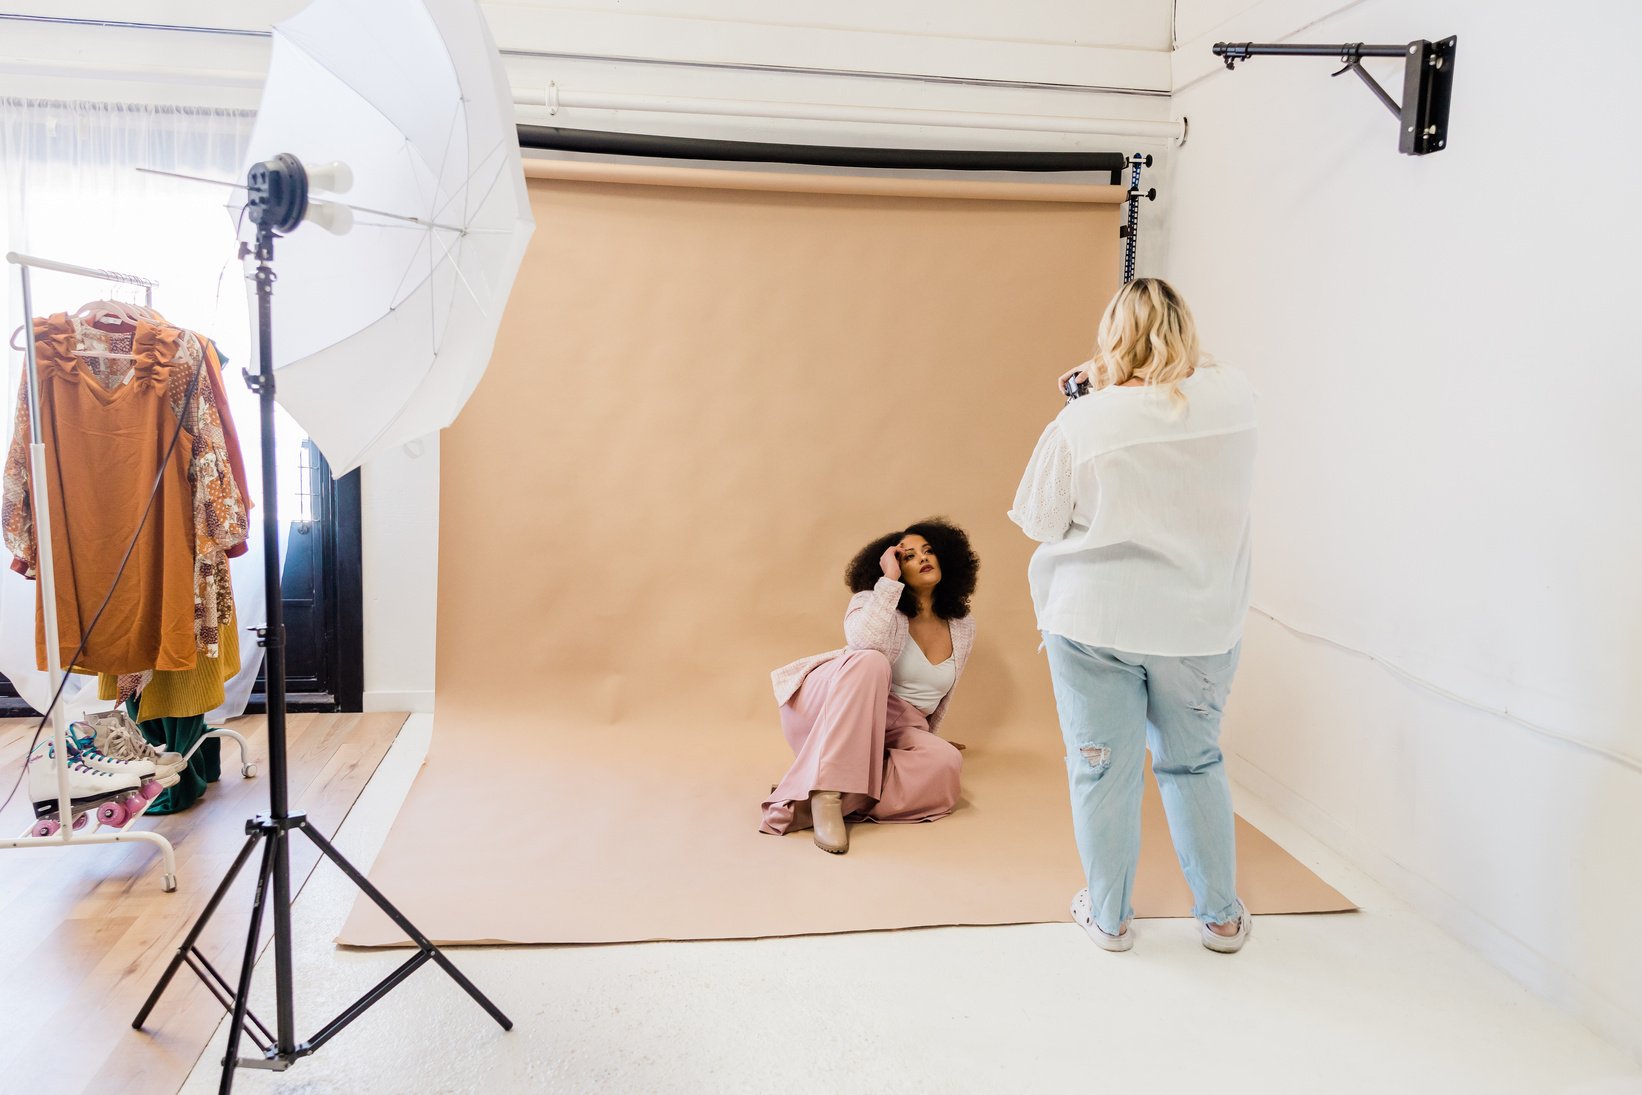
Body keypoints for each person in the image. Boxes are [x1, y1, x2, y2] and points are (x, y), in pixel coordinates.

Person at [1009, 277, 1258, 953]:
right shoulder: (1236, 398)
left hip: (1096, 623)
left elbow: (1037, 519)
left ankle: (1111, 918)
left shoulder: (1083, 421)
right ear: (1188, 332)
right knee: (1195, 762)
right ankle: (1222, 919)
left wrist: (1088, 388)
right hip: (1200, 625)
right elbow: (1198, 372)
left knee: (1102, 769)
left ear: (1110, 338)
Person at [760, 518, 979, 855]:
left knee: (945, 763)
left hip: (895, 728)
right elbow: (864, 642)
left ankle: (810, 800)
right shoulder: (873, 600)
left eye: (929, 550)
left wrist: (925, 742)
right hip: (832, 707)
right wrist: (889, 582)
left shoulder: (962, 625)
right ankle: (827, 792)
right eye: (906, 556)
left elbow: (938, 695)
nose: (921, 558)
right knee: (871, 661)